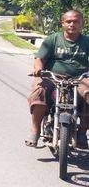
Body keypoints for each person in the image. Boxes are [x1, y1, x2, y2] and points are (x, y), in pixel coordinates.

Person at [26, 9, 89, 148]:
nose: (72, 24)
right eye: (69, 21)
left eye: (76, 21)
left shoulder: (87, 41)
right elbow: (39, 58)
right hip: (53, 77)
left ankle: (83, 133)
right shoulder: (53, 39)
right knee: (39, 92)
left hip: (80, 78)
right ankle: (35, 131)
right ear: (63, 23)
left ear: (82, 24)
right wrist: (38, 68)